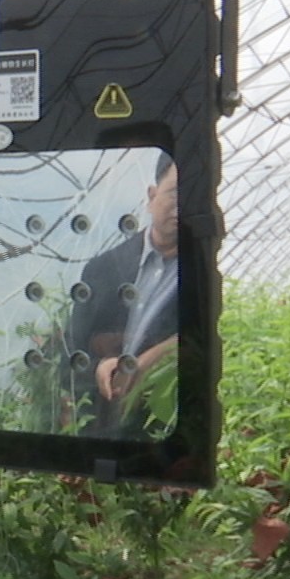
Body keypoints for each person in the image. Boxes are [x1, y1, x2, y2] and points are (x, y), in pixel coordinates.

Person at [60, 155, 180, 437]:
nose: (183, 205)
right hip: (104, 430)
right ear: (152, 196)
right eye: (175, 193)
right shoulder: (102, 269)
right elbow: (69, 354)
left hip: (165, 434)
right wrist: (100, 368)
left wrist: (159, 356)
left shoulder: (204, 274)